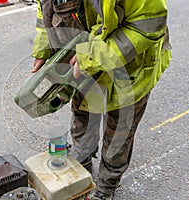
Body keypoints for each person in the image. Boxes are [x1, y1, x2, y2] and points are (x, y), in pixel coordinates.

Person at [30, 0, 172, 199]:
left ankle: (106, 186)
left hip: (130, 66)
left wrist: (92, 57)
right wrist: (43, 49)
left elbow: (147, 24)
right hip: (80, 62)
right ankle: (82, 167)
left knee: (118, 132)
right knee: (83, 116)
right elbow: (44, 11)